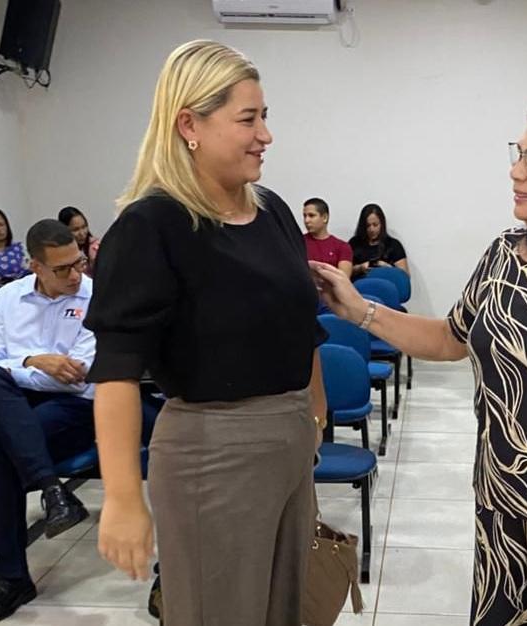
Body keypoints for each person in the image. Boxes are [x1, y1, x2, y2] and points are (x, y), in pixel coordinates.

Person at [313, 95, 527, 625]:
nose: (517, 171)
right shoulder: (504, 252)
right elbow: (451, 337)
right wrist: (360, 311)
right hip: (501, 506)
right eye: (519, 154)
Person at [83, 40, 327, 626]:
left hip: (291, 443)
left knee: (285, 611)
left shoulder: (272, 211)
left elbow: (302, 327)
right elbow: (115, 370)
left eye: (265, 116)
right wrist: (122, 498)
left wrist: (313, 419)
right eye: (248, 119)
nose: (265, 135)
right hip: (213, 455)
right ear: (189, 124)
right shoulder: (152, 225)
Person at [0, 219, 95, 626]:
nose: (74, 275)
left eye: (78, 263)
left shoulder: (95, 296)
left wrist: (16, 366)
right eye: (62, 268)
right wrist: (35, 361)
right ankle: (53, 491)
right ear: (35, 266)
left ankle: (11, 578)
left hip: (75, 406)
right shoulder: (8, 297)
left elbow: (74, 376)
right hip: (19, 401)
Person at [348, 203, 408, 277]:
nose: (371, 229)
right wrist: (359, 268)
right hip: (360, 282)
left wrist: (389, 268)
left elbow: (405, 276)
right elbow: (344, 271)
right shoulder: (354, 244)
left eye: (375, 225)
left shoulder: (393, 245)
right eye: (367, 226)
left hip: (387, 281)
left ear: (382, 224)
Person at [302, 197, 353, 277]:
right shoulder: (298, 242)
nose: (306, 220)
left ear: (325, 218)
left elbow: (343, 279)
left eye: (311, 216)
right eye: (305, 216)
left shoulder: (342, 247)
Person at [57, 206, 100, 277]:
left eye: (84, 227)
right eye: (75, 230)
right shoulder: (58, 251)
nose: (82, 233)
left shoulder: (95, 247)